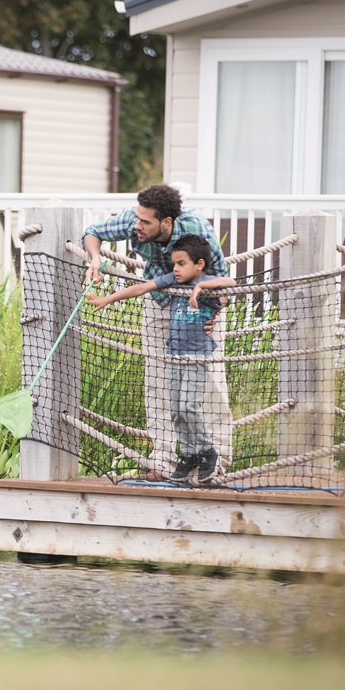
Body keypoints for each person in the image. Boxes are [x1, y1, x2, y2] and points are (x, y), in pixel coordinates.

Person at [82, 184, 233, 476]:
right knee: (158, 381)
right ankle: (164, 460)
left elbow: (223, 280)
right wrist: (96, 257)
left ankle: (219, 462)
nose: (137, 226)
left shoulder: (197, 229)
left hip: (200, 306)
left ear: (166, 222)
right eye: (137, 218)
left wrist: (215, 311)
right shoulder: (134, 220)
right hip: (160, 300)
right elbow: (92, 232)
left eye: (146, 222)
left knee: (211, 383)